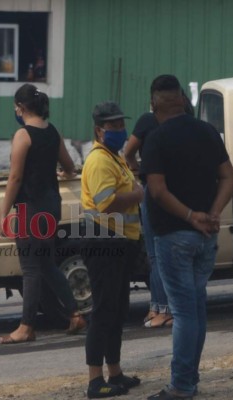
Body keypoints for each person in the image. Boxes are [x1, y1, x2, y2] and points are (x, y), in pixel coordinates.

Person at [142, 75, 233, 400]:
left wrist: (188, 216)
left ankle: (182, 386)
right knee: (196, 308)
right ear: (182, 100)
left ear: (154, 105)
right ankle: (189, 380)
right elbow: (229, 176)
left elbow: (156, 189)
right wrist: (212, 212)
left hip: (173, 236)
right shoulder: (207, 131)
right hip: (206, 238)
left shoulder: (155, 139)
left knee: (183, 312)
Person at [0, 83, 86, 344]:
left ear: (22, 107)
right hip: (51, 206)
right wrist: (64, 174)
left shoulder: (23, 136)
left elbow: (15, 178)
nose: (15, 110)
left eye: (16, 106)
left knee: (30, 267)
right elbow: (69, 166)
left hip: (31, 209)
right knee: (46, 263)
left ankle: (26, 327)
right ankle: (74, 314)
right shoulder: (52, 132)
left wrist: (3, 213)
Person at [80, 101, 143, 398]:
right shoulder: (99, 161)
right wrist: (138, 194)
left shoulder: (114, 158)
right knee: (104, 311)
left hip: (119, 242)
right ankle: (95, 381)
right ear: (99, 130)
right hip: (104, 242)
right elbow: (106, 203)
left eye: (121, 124)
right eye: (113, 126)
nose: (120, 130)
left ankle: (115, 372)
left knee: (118, 310)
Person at [124, 92, 194, 328]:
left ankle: (163, 309)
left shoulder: (148, 121)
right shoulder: (190, 123)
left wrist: (139, 171)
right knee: (170, 253)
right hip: (181, 194)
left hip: (154, 193)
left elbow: (128, 152)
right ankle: (158, 306)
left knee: (157, 254)